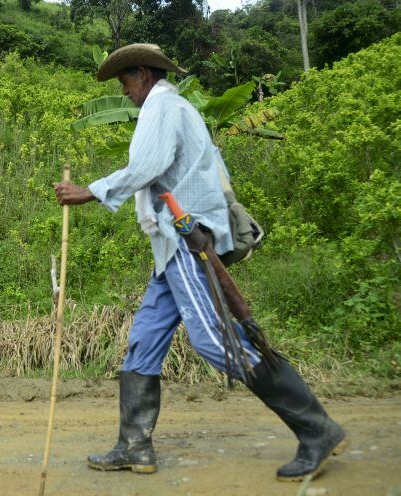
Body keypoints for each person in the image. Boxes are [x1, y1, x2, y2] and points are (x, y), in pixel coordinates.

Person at [53, 43, 347, 482]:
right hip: (170, 248)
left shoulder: (164, 106)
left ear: (143, 74)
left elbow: (148, 165)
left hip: (186, 240)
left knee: (212, 340)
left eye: (126, 82)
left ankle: (315, 428)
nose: (126, 92)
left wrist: (91, 190)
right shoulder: (172, 106)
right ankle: (134, 446)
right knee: (145, 340)